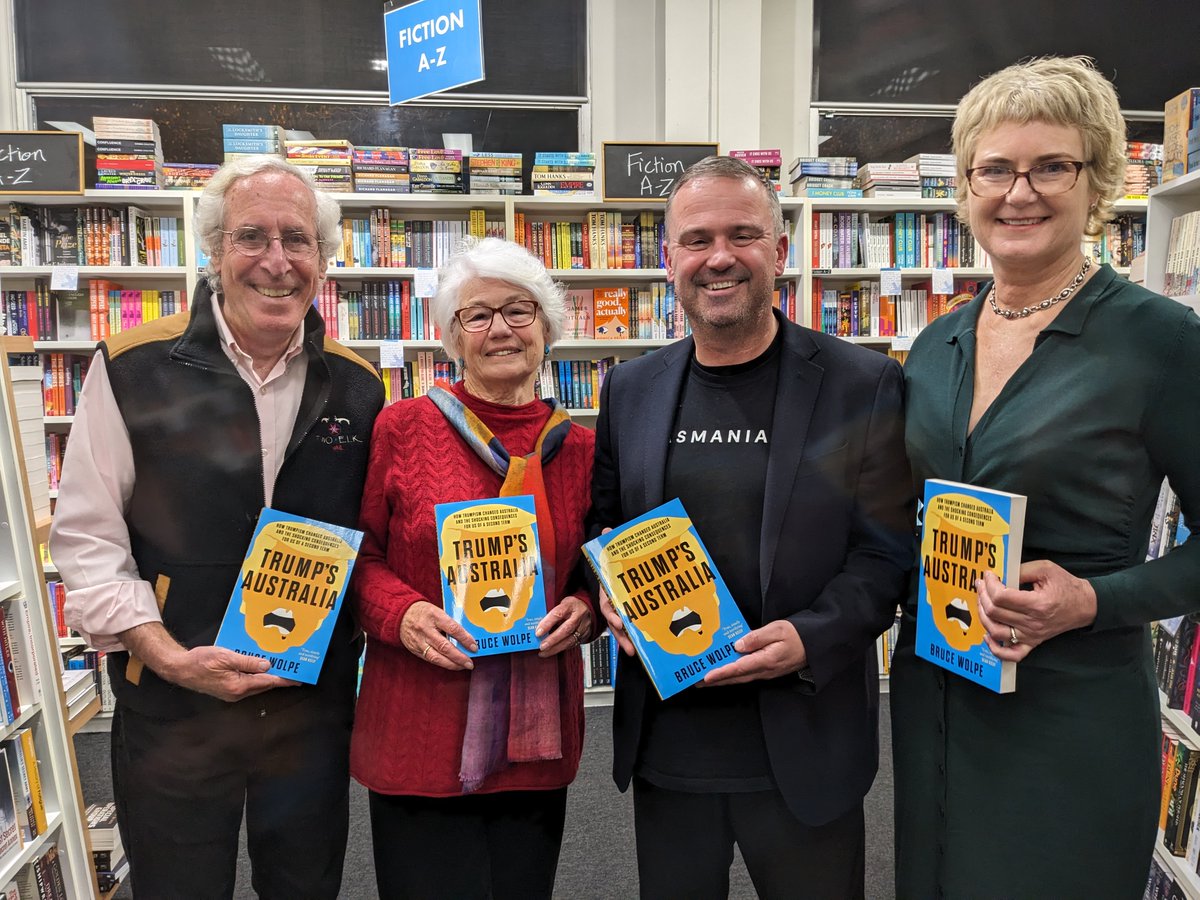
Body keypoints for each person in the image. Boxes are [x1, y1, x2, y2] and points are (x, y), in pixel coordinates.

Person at [890, 56, 1200, 899]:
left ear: (1095, 180)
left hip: (1071, 717)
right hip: (937, 702)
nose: (1018, 192)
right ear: (965, 185)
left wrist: (1093, 600)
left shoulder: (1162, 342)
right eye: (994, 168)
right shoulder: (935, 345)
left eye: (1051, 166)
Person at [49, 155, 384, 899]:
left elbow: (376, 539)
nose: (275, 261)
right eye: (251, 237)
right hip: (172, 705)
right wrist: (166, 655)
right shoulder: (134, 366)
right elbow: (86, 539)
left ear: (324, 261)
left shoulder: (361, 385)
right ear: (213, 251)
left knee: (305, 886)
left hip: (307, 710)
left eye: (297, 239)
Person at [593, 155, 915, 899]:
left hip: (804, 738)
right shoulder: (632, 388)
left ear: (779, 249)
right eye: (696, 239)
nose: (719, 257)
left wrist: (811, 636)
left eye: (742, 234)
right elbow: (604, 522)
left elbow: (886, 552)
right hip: (670, 745)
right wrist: (605, 591)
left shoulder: (861, 384)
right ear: (669, 258)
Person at [351, 236, 597, 899]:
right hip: (418, 729)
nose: (500, 330)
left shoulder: (582, 449)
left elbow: (597, 570)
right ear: (452, 337)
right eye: (477, 315)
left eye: (519, 310)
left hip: (533, 743)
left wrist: (589, 607)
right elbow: (359, 557)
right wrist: (400, 615)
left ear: (547, 324)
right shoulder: (400, 427)